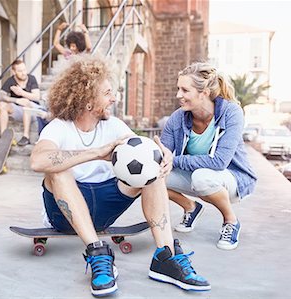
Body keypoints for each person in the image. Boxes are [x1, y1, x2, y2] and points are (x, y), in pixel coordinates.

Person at [30, 56, 210, 297]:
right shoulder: (59, 127)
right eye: (107, 93)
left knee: (151, 169)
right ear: (87, 101)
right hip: (63, 215)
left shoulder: (113, 126)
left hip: (105, 209)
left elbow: (145, 150)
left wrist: (163, 156)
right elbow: (37, 161)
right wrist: (96, 153)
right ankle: (97, 252)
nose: (113, 98)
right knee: (57, 170)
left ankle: (166, 257)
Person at [160, 62, 257, 250]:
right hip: (198, 176)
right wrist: (154, 154)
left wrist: (175, 160)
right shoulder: (178, 118)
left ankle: (231, 221)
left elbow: (220, 161)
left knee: (201, 177)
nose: (178, 95)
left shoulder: (231, 113)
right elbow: (164, 152)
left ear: (203, 92)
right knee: (153, 176)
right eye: (178, 89)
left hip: (232, 178)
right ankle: (191, 207)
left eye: (185, 90)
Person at [0, 59, 47, 146]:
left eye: (24, 69)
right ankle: (3, 135)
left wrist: (21, 93)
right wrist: (16, 100)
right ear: (14, 71)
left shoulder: (31, 78)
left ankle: (26, 136)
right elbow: (0, 96)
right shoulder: (11, 81)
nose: (23, 73)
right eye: (20, 71)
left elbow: (37, 96)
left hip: (34, 111)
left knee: (26, 103)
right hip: (19, 111)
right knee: (2, 104)